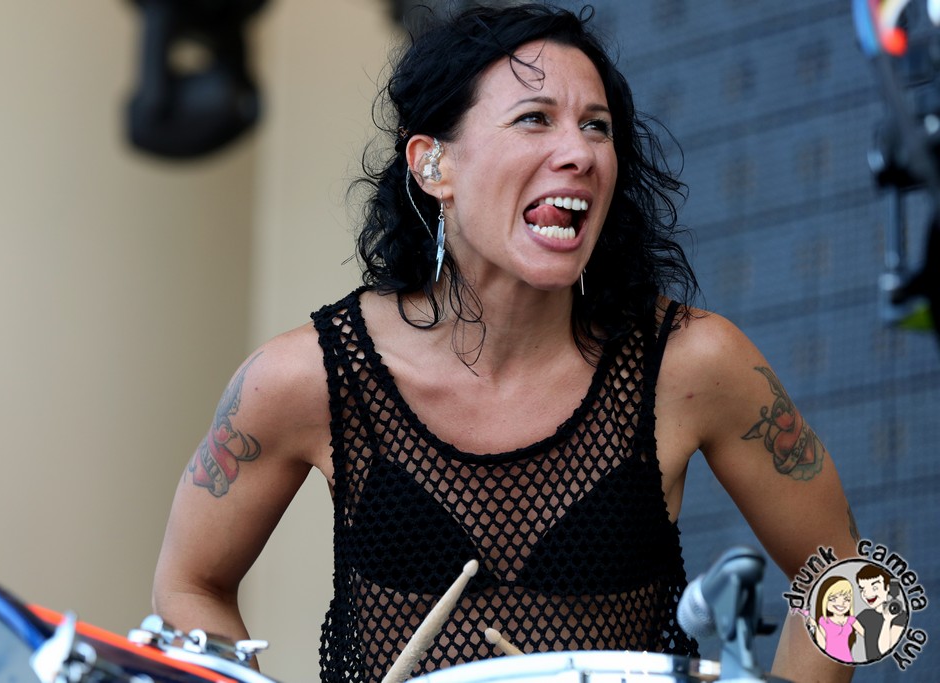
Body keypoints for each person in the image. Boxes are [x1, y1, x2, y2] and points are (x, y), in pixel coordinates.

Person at [152, 5, 859, 682]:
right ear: (434, 166)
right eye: (534, 119)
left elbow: (850, 576)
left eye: (597, 127)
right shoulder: (307, 376)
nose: (579, 152)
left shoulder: (691, 361)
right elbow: (189, 584)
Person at [855, 565, 907, 662]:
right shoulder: (865, 615)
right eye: (862, 589)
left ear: (887, 587)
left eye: (874, 588)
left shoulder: (900, 616)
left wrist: (887, 620)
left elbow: (884, 650)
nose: (867, 593)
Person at [807, 577, 863, 663]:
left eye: (847, 599)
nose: (841, 603)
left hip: (847, 658)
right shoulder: (824, 621)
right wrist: (815, 626)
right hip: (828, 659)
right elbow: (822, 645)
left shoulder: (851, 620)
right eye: (833, 599)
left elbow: (867, 635)